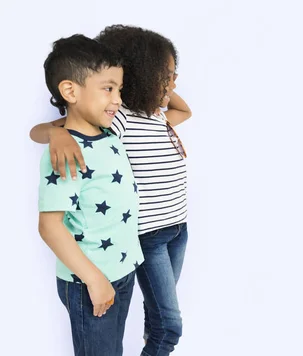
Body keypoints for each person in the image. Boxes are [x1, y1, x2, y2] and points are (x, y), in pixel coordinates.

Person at [31, 25, 192, 356]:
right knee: (157, 329)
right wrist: (55, 133)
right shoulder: (111, 125)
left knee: (130, 337)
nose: (172, 84)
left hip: (139, 253)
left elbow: (184, 110)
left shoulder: (136, 123)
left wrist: (163, 82)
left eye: (119, 89)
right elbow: (49, 224)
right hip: (119, 257)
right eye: (165, 76)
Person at [37, 34, 144, 356]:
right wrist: (95, 280)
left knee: (113, 350)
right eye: (108, 88)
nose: (117, 100)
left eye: (119, 90)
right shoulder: (68, 151)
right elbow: (50, 226)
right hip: (89, 280)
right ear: (70, 91)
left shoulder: (108, 133)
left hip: (122, 268)